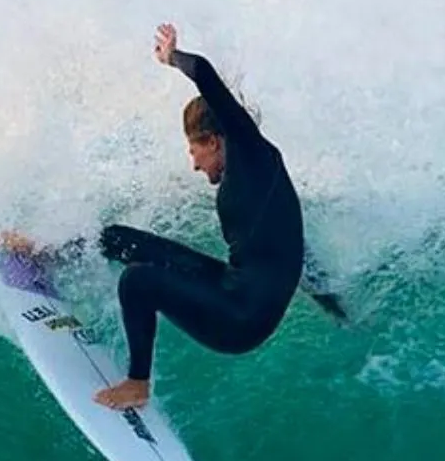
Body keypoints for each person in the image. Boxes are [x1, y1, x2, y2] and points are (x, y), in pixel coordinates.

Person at [86, 23, 336, 410]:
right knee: (120, 238)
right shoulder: (259, 170)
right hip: (231, 286)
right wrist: (331, 301)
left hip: (240, 320)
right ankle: (51, 251)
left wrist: (172, 57)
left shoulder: (251, 155)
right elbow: (290, 246)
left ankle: (137, 385)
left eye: (194, 152)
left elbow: (202, 72)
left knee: (138, 281)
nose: (194, 165)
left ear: (214, 141)